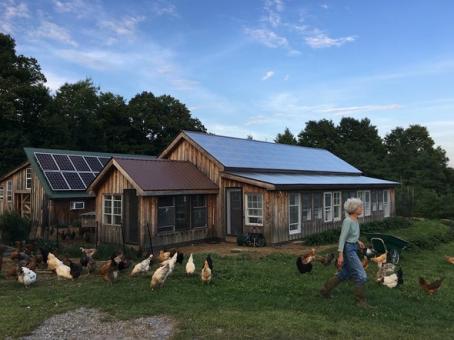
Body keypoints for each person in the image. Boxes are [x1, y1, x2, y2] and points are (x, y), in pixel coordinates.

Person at [320, 198, 370, 308]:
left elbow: (350, 235)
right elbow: (342, 238)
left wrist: (358, 241)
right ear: (353, 209)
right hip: (348, 250)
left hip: (353, 247)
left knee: (344, 273)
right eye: (360, 207)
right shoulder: (348, 221)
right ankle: (360, 301)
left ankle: (325, 290)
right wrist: (341, 256)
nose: (362, 208)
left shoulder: (355, 220)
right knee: (361, 275)